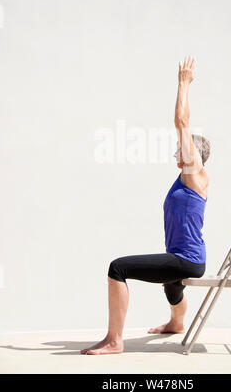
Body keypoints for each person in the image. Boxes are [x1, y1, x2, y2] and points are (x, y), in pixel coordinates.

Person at [81, 55, 210, 355]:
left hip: (187, 259)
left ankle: (114, 340)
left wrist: (183, 84)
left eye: (182, 147)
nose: (177, 151)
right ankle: (177, 324)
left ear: (195, 152)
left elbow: (182, 121)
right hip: (186, 258)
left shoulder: (196, 173)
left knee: (118, 268)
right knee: (171, 285)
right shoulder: (188, 180)